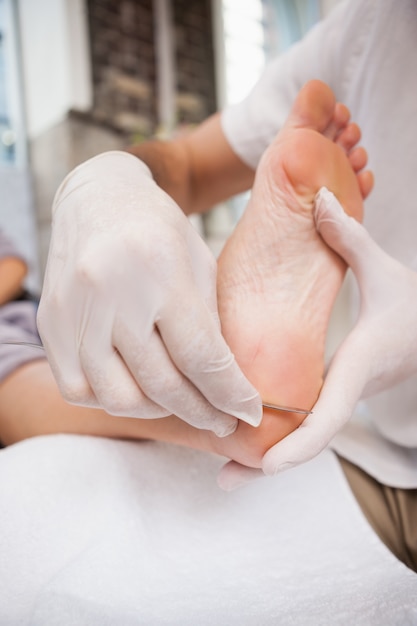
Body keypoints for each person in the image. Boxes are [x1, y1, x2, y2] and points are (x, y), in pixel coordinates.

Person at [32, 0, 417, 566]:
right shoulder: (370, 27)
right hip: (394, 447)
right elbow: (187, 164)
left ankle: (236, 404)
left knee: (13, 376)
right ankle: (244, 405)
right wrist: (109, 179)